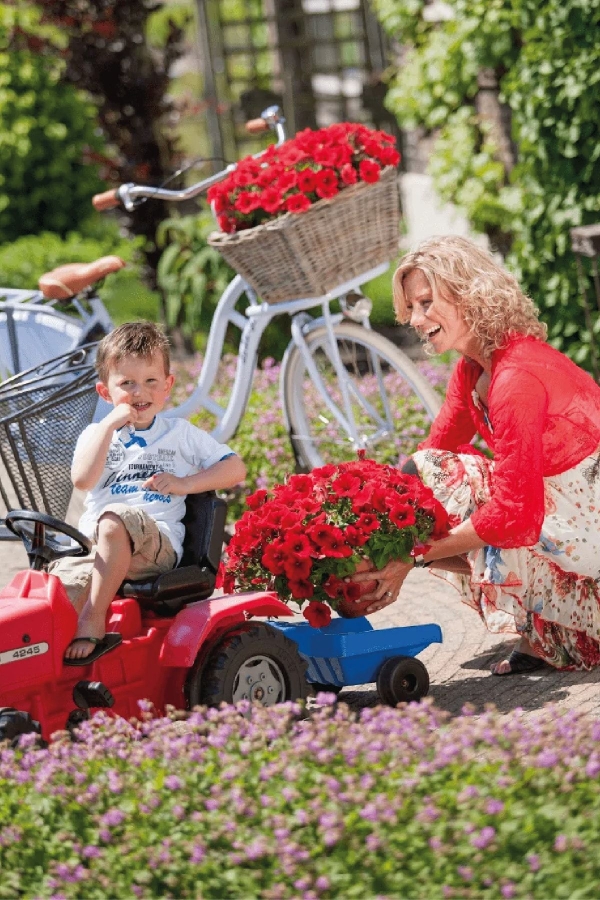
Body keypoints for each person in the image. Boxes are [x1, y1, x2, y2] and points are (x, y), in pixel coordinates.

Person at [352, 235, 600, 675]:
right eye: (411, 308)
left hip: (588, 535)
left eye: (426, 302)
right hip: (568, 530)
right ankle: (546, 634)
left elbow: (517, 515)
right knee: (426, 478)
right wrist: (366, 525)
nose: (415, 318)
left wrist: (408, 556)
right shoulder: (474, 370)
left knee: (458, 482)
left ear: (467, 293)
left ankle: (552, 625)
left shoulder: (514, 377)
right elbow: (431, 455)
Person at [51, 321, 246, 664]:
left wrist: (186, 483)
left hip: (155, 547)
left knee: (114, 521)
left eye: (150, 382)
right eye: (127, 383)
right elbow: (82, 480)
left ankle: (93, 619)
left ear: (167, 385)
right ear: (105, 392)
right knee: (50, 593)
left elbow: (235, 468)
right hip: (95, 550)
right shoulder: (97, 434)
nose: (139, 392)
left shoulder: (180, 433)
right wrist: (111, 424)